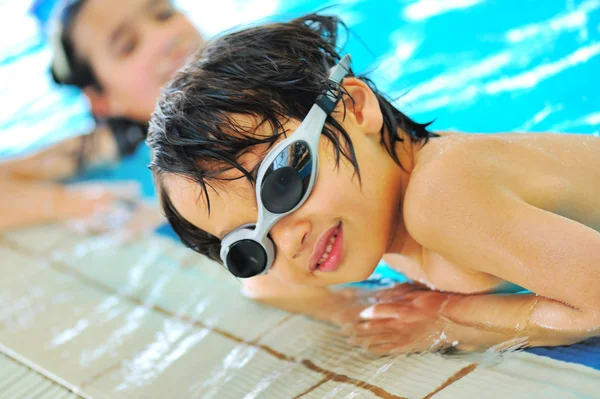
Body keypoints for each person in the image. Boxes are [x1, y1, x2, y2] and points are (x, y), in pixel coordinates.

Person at [147, 14, 600, 354]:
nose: (289, 239)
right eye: (248, 247)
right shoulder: (363, 216)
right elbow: (266, 286)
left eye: (281, 182)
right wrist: (364, 310)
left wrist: (446, 318)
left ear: (356, 107)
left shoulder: (441, 198)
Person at [0, 0, 203, 231]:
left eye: (164, 14)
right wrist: (72, 204)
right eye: (127, 46)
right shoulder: (117, 142)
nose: (165, 37)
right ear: (101, 100)